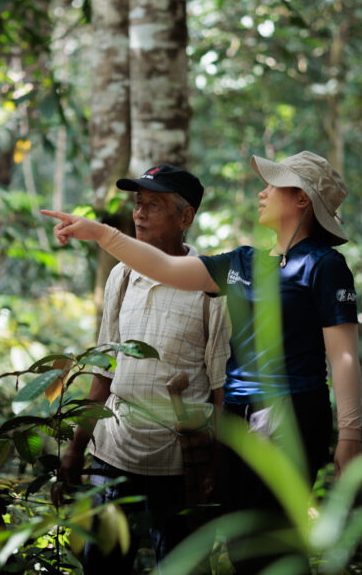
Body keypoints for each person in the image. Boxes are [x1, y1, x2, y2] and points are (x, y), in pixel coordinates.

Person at [43, 151, 362, 567]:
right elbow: (166, 267)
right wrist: (101, 234)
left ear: (302, 199)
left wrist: (350, 435)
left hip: (291, 413)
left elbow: (344, 356)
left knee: (272, 545)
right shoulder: (244, 262)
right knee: (241, 546)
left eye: (273, 185)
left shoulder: (325, 266)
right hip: (236, 417)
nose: (262, 193)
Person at [58, 165, 231, 573]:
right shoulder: (121, 275)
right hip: (113, 453)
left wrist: (216, 467)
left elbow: (221, 386)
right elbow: (104, 371)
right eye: (138, 203)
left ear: (185, 217)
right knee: (102, 566)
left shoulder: (210, 287)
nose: (139, 213)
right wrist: (76, 447)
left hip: (179, 462)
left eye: (154, 205)